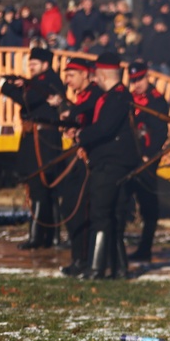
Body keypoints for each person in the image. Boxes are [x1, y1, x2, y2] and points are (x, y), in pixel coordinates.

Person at [76, 51, 141, 280]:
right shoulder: (117, 95)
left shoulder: (116, 97)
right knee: (113, 217)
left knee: (101, 215)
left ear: (102, 74)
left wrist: (82, 136)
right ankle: (119, 269)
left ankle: (96, 268)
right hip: (116, 164)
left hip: (110, 165)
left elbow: (104, 128)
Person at [0, 47, 66, 250]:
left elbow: (27, 100)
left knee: (39, 186)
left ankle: (37, 236)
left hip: (42, 139)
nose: (31, 67)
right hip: (39, 138)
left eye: (35, 63)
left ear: (45, 64)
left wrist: (5, 86)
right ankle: (51, 237)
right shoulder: (42, 81)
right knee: (46, 189)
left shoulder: (46, 81)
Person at [57, 58, 101, 276]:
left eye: (72, 75)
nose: (68, 80)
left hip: (90, 160)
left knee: (80, 211)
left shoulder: (94, 94)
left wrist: (72, 115)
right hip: (79, 155)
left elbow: (90, 113)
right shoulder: (82, 96)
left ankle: (83, 260)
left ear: (86, 75)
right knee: (69, 208)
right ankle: (77, 257)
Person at [126, 59, 169, 263]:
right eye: (133, 80)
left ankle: (145, 248)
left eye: (139, 79)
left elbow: (160, 133)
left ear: (147, 76)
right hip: (129, 157)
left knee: (148, 204)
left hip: (147, 160)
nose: (137, 84)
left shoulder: (157, 100)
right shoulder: (128, 97)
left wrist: (149, 155)